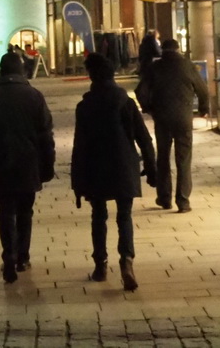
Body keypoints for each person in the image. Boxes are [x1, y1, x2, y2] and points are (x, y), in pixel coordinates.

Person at [71, 52, 155, 292]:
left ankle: (100, 265)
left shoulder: (85, 106)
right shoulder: (125, 102)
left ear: (91, 76)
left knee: (98, 216)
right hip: (123, 166)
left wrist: (77, 182)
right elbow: (144, 138)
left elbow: (80, 146)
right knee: (124, 216)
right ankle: (127, 262)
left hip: (96, 168)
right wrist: (151, 168)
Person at [0, 52, 54, 283]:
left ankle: (8, 254)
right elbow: (45, 136)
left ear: (1, 70)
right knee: (25, 212)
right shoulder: (34, 96)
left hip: (1, 162)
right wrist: (47, 165)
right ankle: (22, 256)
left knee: (5, 212)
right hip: (29, 162)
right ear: (21, 70)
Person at [135, 38, 211, 212]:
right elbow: (203, 90)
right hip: (183, 118)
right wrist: (203, 109)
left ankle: (164, 198)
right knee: (183, 159)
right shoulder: (187, 65)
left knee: (163, 158)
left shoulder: (155, 67)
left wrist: (148, 108)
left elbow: (141, 91)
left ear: (162, 50)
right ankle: (183, 201)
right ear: (178, 49)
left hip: (162, 118)